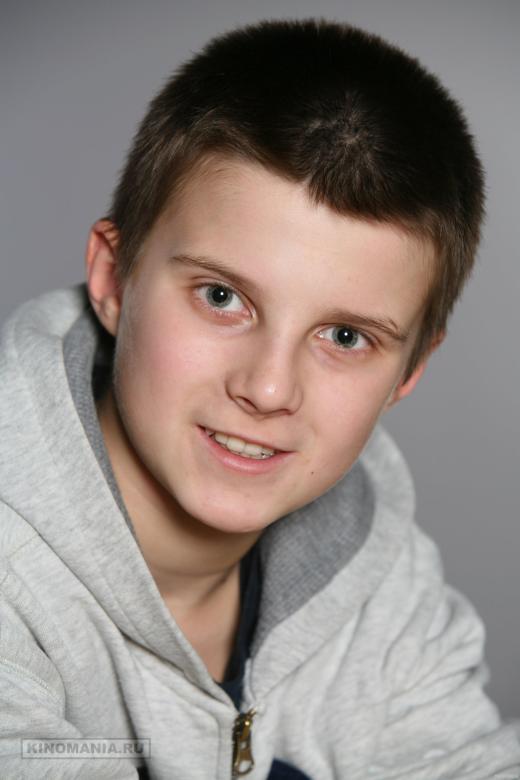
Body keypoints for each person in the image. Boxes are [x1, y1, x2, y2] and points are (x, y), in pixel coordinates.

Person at [0, 17, 518, 780]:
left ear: (409, 371)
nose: (268, 388)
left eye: (345, 337)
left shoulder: (385, 582)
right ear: (113, 279)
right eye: (221, 297)